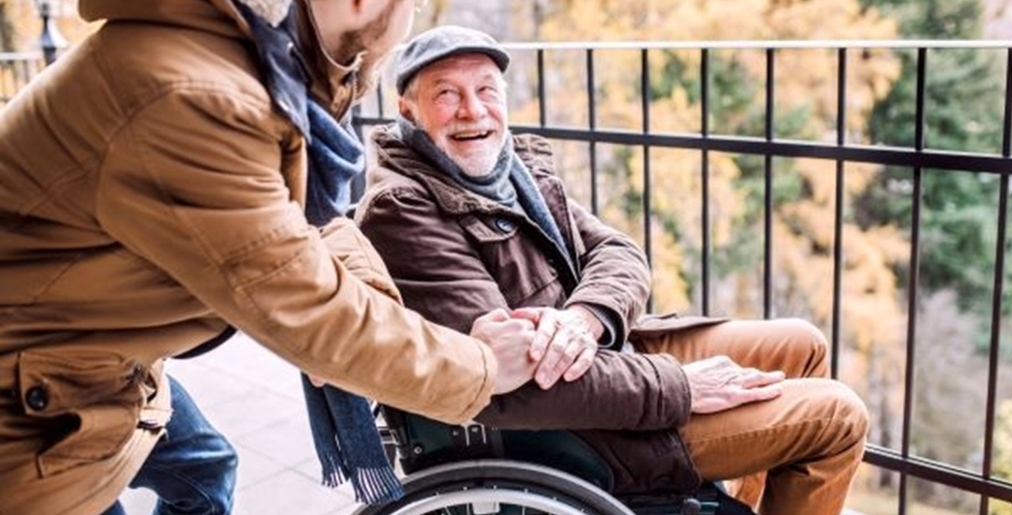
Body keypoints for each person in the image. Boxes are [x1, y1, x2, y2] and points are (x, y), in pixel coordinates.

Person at [0, 2, 543, 514]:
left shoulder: (256, 61)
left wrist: (371, 311)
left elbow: (311, 221)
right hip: (32, 395)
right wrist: (481, 368)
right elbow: (306, 309)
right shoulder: (193, 96)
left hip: (96, 352)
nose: (408, 19)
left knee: (206, 469)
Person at [355, 25, 871, 515]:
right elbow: (506, 386)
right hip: (578, 430)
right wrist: (681, 388)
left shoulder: (507, 170)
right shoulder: (403, 208)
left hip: (605, 357)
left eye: (486, 89)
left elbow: (618, 252)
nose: (473, 110)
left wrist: (584, 318)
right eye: (447, 93)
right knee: (838, 416)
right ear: (407, 108)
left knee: (801, 343)